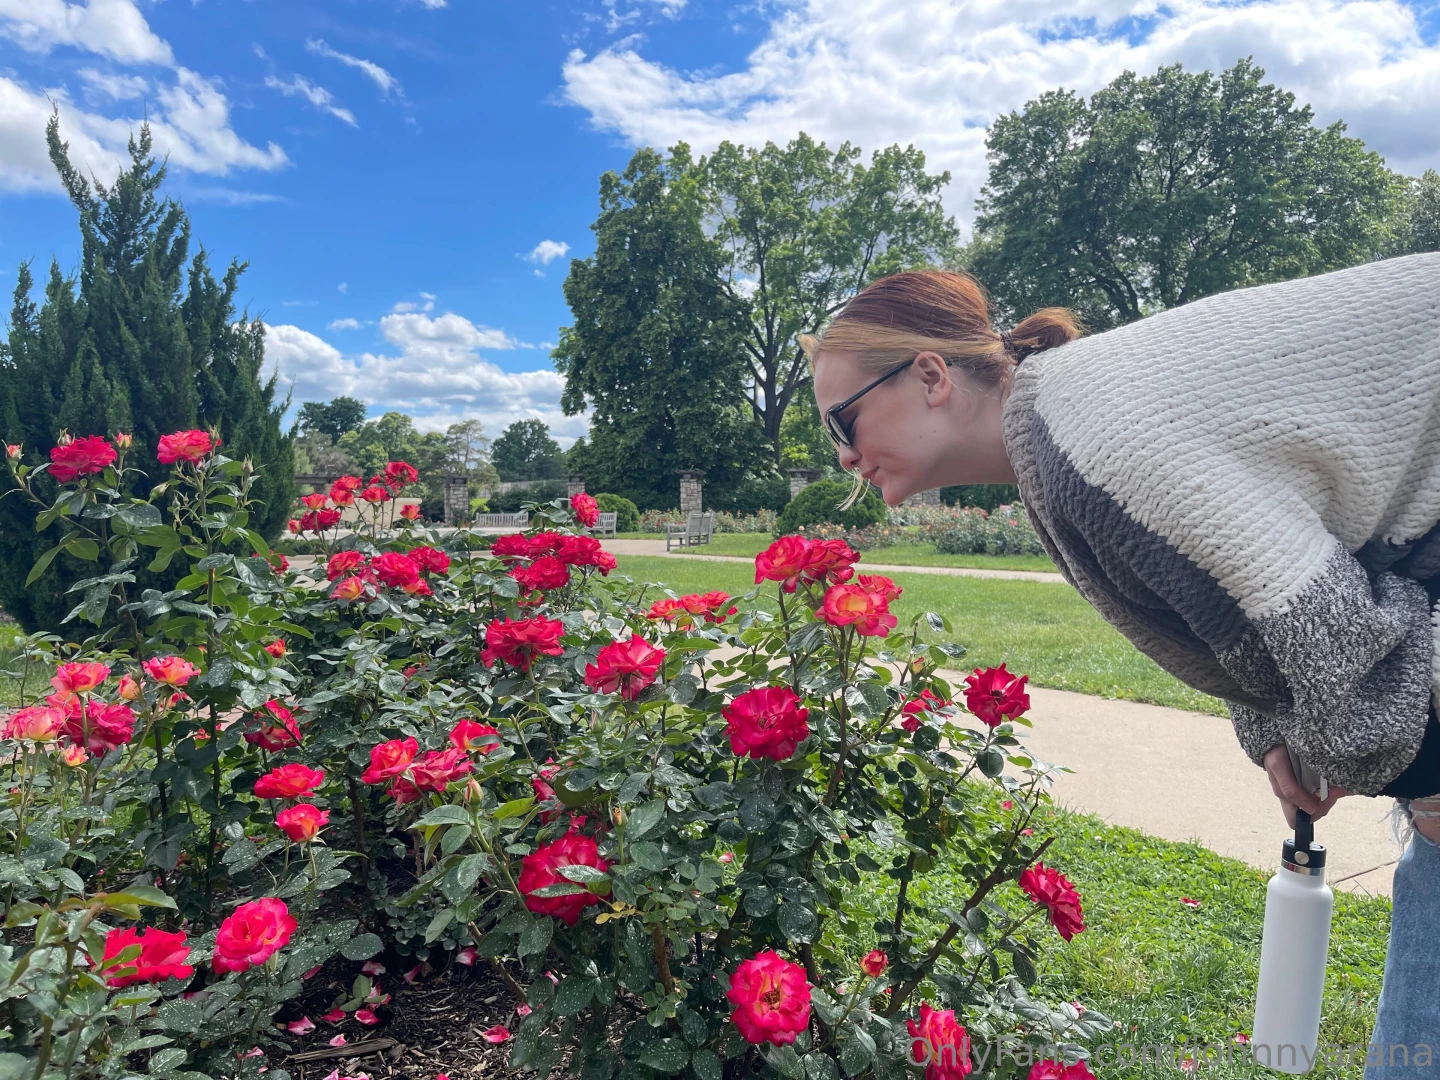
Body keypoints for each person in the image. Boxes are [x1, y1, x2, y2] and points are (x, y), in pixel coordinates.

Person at [804, 256, 1440, 1075]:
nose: (843, 458)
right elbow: (1246, 596)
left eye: (840, 424)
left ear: (929, 375)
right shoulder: (1062, 423)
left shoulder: (1088, 434)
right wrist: (1281, 727)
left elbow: (1336, 639)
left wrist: (1418, 773)